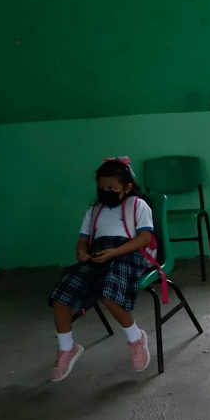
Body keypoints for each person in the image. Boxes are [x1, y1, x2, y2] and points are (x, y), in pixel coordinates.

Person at [48, 157, 155, 381]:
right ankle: (67, 347)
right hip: (98, 256)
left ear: (126, 188)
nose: (105, 191)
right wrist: (81, 253)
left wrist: (115, 252)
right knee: (60, 294)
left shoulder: (137, 205)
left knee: (109, 294)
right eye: (101, 187)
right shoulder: (94, 211)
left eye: (111, 188)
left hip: (127, 255)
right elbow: (83, 240)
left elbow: (145, 237)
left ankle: (136, 338)